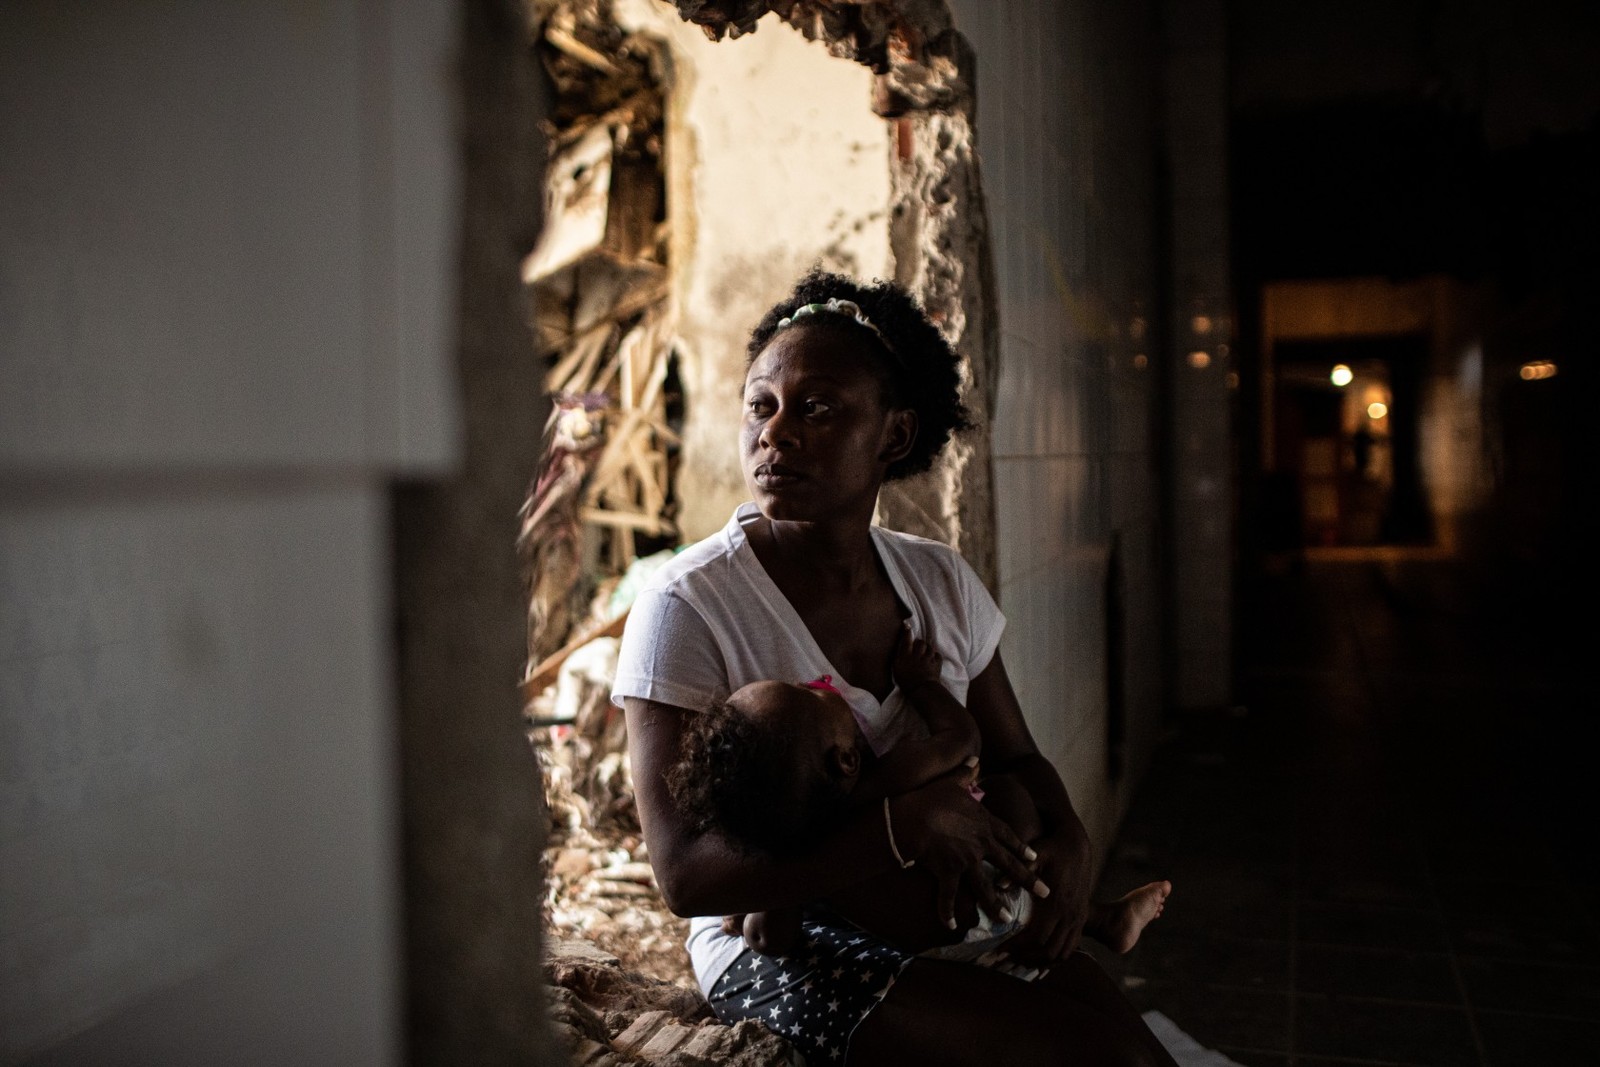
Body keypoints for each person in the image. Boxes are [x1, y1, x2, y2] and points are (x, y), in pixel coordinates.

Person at [613, 267, 1179, 1065]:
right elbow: (685, 878)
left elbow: (1015, 753)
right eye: (761, 406)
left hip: (939, 898)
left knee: (1134, 1051)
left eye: (817, 409)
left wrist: (1076, 843)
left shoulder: (937, 581)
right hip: (783, 935)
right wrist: (902, 823)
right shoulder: (689, 605)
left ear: (895, 435)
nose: (775, 434)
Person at [665, 624, 1172, 972]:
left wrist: (755, 903)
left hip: (931, 949)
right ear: (845, 761)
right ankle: (1104, 920)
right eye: (810, 693)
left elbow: (767, 939)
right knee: (1010, 798)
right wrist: (922, 684)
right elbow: (963, 740)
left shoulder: (805, 849)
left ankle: (1105, 921)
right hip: (992, 903)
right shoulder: (890, 778)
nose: (818, 684)